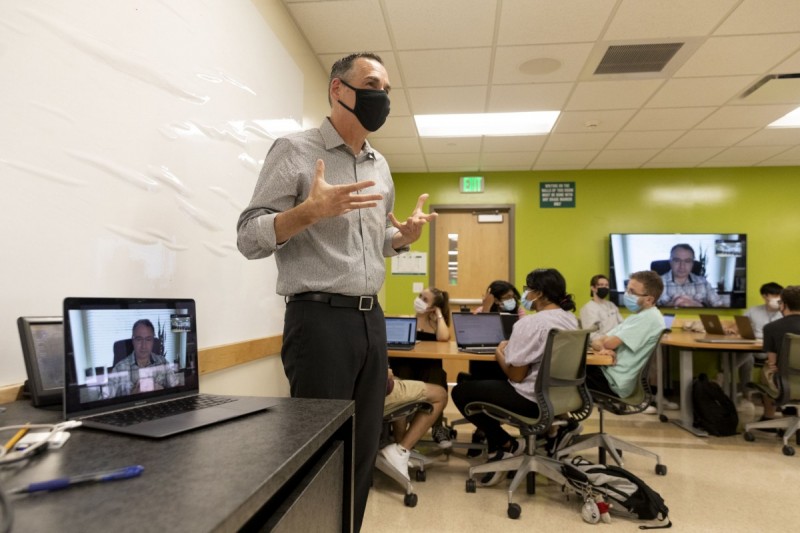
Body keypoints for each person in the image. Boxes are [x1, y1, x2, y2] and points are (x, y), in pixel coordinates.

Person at [236, 52, 434, 532]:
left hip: (371, 320)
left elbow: (372, 245)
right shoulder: (296, 149)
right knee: (320, 457)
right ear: (338, 89)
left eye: (387, 89)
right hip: (318, 321)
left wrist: (401, 239)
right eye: (371, 84)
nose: (381, 97)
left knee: (362, 452)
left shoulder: (380, 165)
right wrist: (307, 212)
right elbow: (247, 236)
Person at [451, 268, 579, 486]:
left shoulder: (530, 323)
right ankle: (501, 446)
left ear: (538, 293)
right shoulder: (570, 320)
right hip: (562, 398)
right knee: (483, 384)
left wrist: (500, 353)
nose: (525, 294)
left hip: (530, 400)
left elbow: (516, 376)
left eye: (528, 289)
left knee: (461, 391)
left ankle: (506, 444)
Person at [586, 270, 666, 401]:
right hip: (608, 372)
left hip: (613, 382)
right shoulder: (637, 316)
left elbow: (607, 342)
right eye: (627, 290)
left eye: (632, 292)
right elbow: (599, 341)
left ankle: (562, 420)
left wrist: (605, 345)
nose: (627, 295)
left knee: (560, 373)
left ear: (649, 299)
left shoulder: (649, 318)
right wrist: (604, 348)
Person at [391, 286, 451, 448]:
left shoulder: (435, 325)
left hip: (426, 370)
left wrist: (438, 313)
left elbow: (444, 337)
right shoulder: (407, 320)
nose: (419, 301)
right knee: (402, 371)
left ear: (432, 307)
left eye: (425, 300)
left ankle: (437, 426)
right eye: (419, 296)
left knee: (438, 373)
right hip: (405, 368)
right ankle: (401, 439)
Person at [379, 369, 448, 481]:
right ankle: (400, 451)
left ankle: (398, 447)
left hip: (355, 395)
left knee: (400, 379)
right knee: (440, 394)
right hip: (377, 390)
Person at [105, 319, 178, 398]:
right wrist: (132, 396)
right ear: (133, 340)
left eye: (148, 339)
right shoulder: (119, 369)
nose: (144, 346)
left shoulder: (163, 362)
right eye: (139, 339)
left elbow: (177, 391)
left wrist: (161, 390)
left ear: (153, 341)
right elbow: (104, 403)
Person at [759, 285, 800, 422]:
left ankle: (769, 416)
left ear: (783, 305)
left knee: (767, 369)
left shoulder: (771, 328)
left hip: (786, 384)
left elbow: (773, 364)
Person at [657, 244, 722, 308]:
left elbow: (720, 308)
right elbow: (648, 312)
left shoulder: (703, 283)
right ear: (670, 261)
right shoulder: (656, 283)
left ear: (693, 263)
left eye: (687, 261)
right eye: (677, 260)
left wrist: (697, 305)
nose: (682, 266)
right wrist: (669, 306)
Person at [579, 274, 623, 341]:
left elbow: (622, 324)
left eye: (606, 285)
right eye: (601, 285)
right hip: (602, 344)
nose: (604, 287)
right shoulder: (588, 309)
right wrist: (609, 340)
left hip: (617, 340)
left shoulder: (611, 305)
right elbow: (591, 335)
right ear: (593, 288)